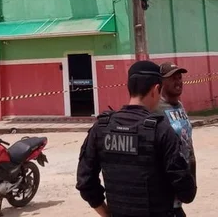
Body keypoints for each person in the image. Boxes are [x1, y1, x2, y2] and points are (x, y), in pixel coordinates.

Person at [76, 60, 196, 217]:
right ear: (156, 89)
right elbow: (186, 192)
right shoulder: (162, 130)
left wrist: (106, 214)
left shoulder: (101, 127)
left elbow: (85, 182)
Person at [156, 62, 195, 217]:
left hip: (182, 176)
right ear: (160, 82)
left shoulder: (179, 105)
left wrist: (193, 178)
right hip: (166, 179)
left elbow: (189, 144)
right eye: (172, 78)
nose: (178, 81)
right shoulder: (155, 108)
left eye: (179, 78)